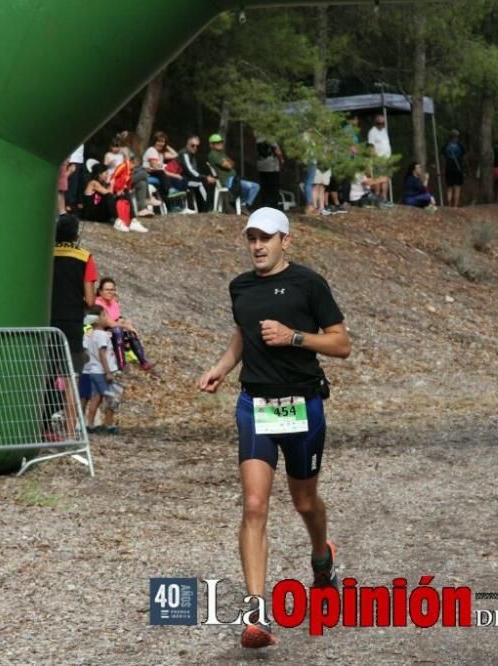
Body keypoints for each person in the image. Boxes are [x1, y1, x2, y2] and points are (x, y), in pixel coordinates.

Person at [198, 208, 350, 650]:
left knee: (304, 501)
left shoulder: (309, 284)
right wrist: (222, 368)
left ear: (287, 240)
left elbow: (341, 344)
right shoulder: (240, 287)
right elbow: (242, 335)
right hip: (255, 406)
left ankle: (322, 557)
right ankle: (255, 615)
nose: (258, 246)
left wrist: (294, 336)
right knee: (253, 504)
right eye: (251, 238)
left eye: (266, 238)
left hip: (302, 405)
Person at [50, 214, 98, 436]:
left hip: (46, 319)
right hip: (72, 322)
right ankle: (69, 434)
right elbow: (90, 300)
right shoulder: (84, 257)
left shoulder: (46, 253)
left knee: (42, 374)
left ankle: (38, 428)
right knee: (71, 377)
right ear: (76, 233)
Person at [94, 277, 158, 375]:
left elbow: (118, 318)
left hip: (113, 330)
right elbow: (109, 323)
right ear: (100, 291)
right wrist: (125, 325)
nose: (110, 292)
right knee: (118, 330)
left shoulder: (114, 303)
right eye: (107, 290)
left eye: (112, 290)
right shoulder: (98, 303)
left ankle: (143, 362)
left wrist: (127, 323)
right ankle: (121, 364)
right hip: (100, 331)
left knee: (130, 332)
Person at [82, 306, 122, 435]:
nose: (107, 318)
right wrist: (108, 372)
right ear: (97, 319)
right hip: (103, 372)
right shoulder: (102, 335)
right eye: (104, 315)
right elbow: (102, 353)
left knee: (96, 398)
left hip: (93, 371)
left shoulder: (90, 334)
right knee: (111, 398)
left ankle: (90, 424)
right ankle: (109, 425)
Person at [207, 134, 260, 213]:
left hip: (234, 179)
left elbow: (232, 163)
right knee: (249, 186)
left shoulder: (221, 153)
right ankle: (240, 205)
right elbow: (228, 165)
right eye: (216, 142)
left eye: (221, 142)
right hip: (227, 181)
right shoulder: (213, 154)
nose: (220, 144)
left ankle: (244, 204)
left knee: (256, 186)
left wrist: (229, 163)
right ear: (211, 145)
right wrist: (228, 163)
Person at [178, 135, 217, 212]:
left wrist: (205, 177)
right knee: (201, 183)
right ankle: (205, 210)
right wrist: (205, 177)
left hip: (188, 179)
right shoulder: (184, 154)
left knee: (207, 183)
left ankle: (208, 208)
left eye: (197, 146)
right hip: (180, 180)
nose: (195, 148)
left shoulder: (192, 155)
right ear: (187, 144)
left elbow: (194, 172)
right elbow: (190, 171)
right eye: (192, 145)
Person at [255, 136, 283, 210]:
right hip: (272, 167)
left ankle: (264, 205)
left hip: (261, 166)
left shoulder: (259, 138)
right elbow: (278, 152)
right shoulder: (270, 137)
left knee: (264, 187)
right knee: (273, 188)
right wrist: (281, 160)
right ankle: (273, 206)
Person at [442, 130, 465, 208]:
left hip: (448, 168)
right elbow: (463, 155)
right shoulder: (460, 146)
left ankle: (449, 205)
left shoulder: (446, 146)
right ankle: (455, 206)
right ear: (457, 137)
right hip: (458, 169)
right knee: (457, 188)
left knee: (449, 188)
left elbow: (442, 155)